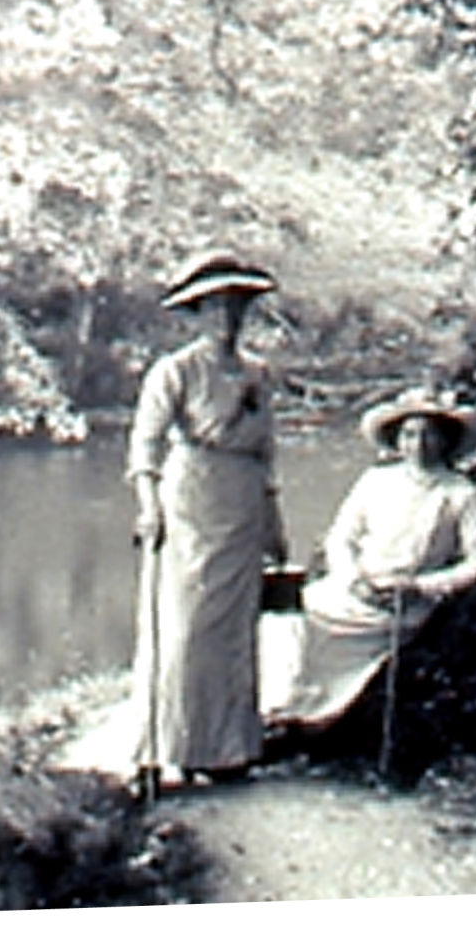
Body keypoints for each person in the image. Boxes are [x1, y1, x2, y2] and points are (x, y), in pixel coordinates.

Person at [127, 248, 288, 788]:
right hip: (191, 500)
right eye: (215, 309)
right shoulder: (174, 372)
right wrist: (149, 508)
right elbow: (145, 448)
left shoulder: (259, 374)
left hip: (241, 501)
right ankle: (167, 746)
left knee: (233, 631)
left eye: (236, 308)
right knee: (185, 628)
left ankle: (225, 751)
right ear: (196, 315)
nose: (227, 320)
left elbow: (266, 452)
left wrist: (273, 521)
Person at [268, 389, 476, 734]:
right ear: (398, 441)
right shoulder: (377, 480)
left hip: (404, 601)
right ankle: (281, 707)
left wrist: (420, 586)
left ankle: (315, 715)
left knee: (343, 635)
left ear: (445, 440)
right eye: (409, 434)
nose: (418, 444)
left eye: (428, 434)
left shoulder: (460, 495)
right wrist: (354, 578)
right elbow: (341, 537)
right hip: (355, 587)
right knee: (290, 616)